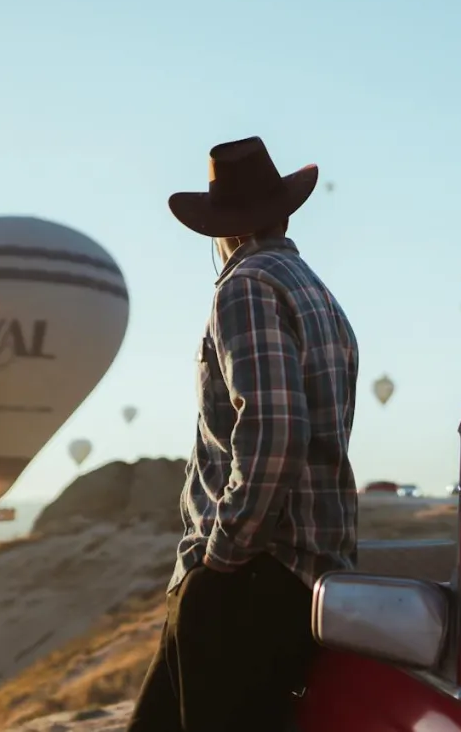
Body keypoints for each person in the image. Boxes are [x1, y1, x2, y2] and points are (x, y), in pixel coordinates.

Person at [127, 136, 360, 732]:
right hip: (303, 573)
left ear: (219, 230)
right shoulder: (315, 291)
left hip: (251, 579)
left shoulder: (246, 287)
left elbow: (276, 431)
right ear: (283, 212)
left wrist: (222, 554)